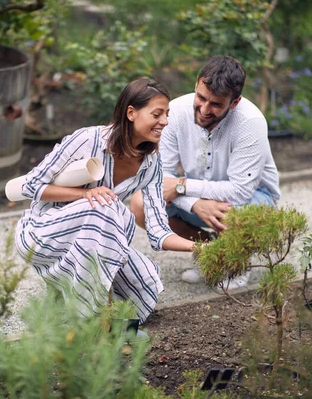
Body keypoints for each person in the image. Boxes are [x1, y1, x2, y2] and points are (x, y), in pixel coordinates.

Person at [15, 78, 195, 323]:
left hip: (98, 240)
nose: (165, 121)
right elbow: (30, 185)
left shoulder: (151, 164)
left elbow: (158, 232)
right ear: (131, 113)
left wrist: (200, 248)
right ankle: (95, 320)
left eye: (167, 114)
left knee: (146, 286)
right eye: (157, 114)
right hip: (43, 233)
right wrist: (84, 194)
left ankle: (70, 295)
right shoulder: (88, 140)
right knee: (108, 208)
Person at [130, 55, 281, 286]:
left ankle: (236, 262)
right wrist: (195, 204)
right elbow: (159, 179)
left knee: (233, 210)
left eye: (216, 104)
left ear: (235, 101)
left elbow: (240, 191)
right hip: (197, 199)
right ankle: (208, 252)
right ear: (196, 85)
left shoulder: (251, 122)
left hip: (251, 200)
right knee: (141, 203)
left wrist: (182, 187)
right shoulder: (175, 113)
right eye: (201, 97)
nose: (204, 108)